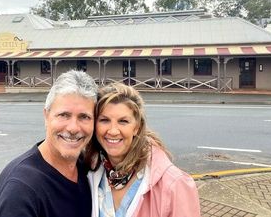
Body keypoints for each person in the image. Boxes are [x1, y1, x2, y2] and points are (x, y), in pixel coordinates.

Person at [0, 70, 98, 217]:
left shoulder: (88, 170)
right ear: (46, 116)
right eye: (64, 115)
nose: (73, 128)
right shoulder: (21, 190)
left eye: (84, 117)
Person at [85, 83, 201, 217]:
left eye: (123, 121)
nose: (113, 131)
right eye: (104, 120)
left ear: (137, 127)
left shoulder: (174, 185)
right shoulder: (89, 172)